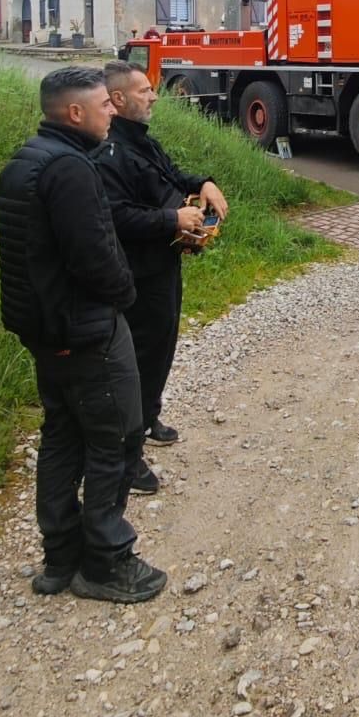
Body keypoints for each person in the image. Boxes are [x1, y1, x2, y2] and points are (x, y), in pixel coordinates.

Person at [0, 66, 167, 603]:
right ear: (75, 113)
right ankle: (107, 561)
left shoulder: (24, 161)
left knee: (63, 435)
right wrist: (124, 295)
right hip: (87, 329)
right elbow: (94, 256)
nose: (111, 111)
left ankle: (59, 557)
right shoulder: (70, 170)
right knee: (115, 436)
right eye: (102, 105)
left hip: (46, 332)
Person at [95, 60, 229, 492]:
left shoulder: (141, 141)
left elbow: (170, 175)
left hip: (164, 263)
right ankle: (126, 458)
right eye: (143, 91)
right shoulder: (107, 152)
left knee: (163, 346)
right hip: (137, 272)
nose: (153, 96)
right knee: (136, 360)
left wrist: (204, 182)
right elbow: (117, 216)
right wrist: (172, 218)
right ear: (117, 99)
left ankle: (148, 415)